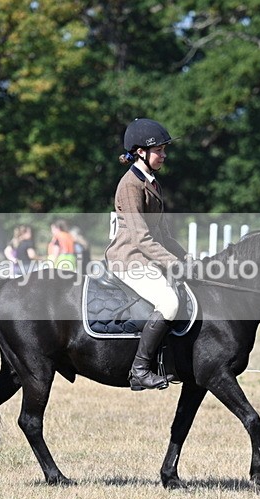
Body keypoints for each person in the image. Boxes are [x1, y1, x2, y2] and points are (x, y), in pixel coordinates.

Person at [104, 118, 187, 391]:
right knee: (169, 302)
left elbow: (162, 235)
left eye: (164, 150)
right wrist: (173, 264)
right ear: (141, 151)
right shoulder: (130, 185)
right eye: (159, 150)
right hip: (129, 258)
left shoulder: (150, 181)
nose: (164, 155)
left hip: (145, 256)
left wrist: (187, 259)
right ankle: (140, 370)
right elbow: (141, 237)